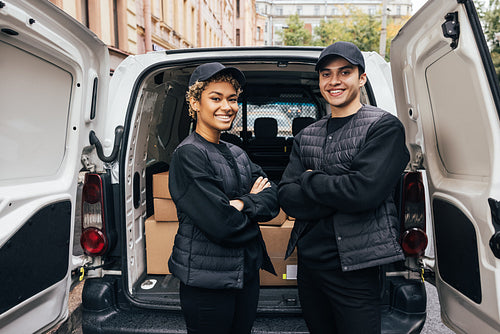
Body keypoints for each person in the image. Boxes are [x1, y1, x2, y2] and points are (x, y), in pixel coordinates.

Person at [278, 41, 410, 334]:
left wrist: (310, 179)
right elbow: (287, 196)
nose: (334, 81)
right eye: (326, 74)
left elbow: (364, 193)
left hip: (357, 267)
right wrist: (344, 188)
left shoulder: (384, 127)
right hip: (311, 266)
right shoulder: (307, 135)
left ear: (361, 78)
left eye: (344, 72)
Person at [167, 62, 279, 334]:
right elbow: (222, 224)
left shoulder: (237, 151)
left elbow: (273, 198)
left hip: (245, 275)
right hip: (208, 282)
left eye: (232, 99)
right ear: (194, 102)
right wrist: (250, 206)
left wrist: (240, 203)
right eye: (215, 98)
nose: (226, 106)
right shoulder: (188, 154)